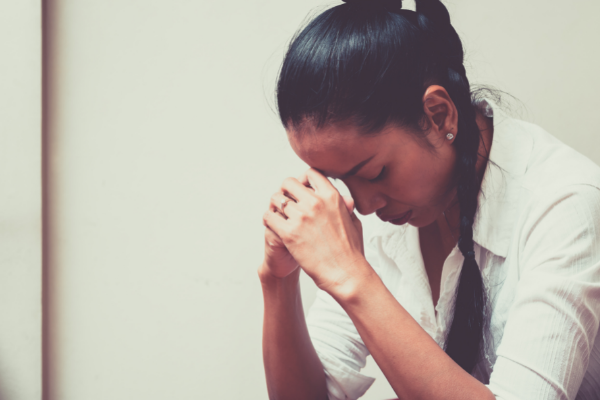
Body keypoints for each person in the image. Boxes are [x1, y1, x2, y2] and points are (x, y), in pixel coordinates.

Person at [258, 0, 600, 399]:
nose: (364, 206)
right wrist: (277, 281)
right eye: (340, 181)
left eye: (374, 173)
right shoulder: (377, 212)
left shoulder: (564, 202)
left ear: (439, 116)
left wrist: (352, 278)